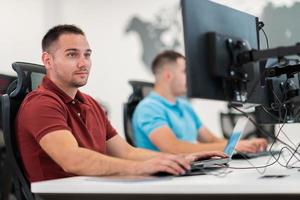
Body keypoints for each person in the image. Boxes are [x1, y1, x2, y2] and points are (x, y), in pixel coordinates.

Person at [16, 25, 226, 183]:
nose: (83, 63)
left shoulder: (90, 103)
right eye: (72, 55)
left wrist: (181, 158)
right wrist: (140, 168)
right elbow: (72, 159)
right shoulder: (41, 103)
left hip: (94, 189)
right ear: (48, 60)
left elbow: (126, 152)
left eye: (87, 55)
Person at [132, 50, 268, 154]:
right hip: (166, 179)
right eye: (185, 72)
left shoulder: (184, 106)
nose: (190, 77)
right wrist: (231, 146)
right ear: (168, 75)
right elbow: (173, 148)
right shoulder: (148, 108)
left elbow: (210, 140)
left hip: (189, 169)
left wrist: (244, 144)